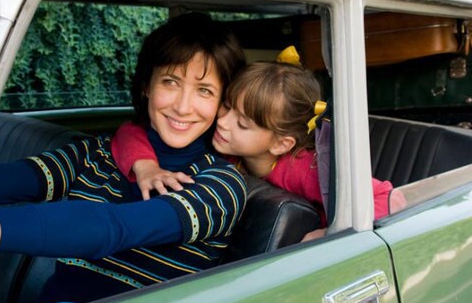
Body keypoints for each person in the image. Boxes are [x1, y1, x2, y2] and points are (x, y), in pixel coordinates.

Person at [0, 12, 248, 303]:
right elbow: (13, 179)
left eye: (204, 91)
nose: (182, 105)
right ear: (147, 86)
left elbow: (113, 227)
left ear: (222, 103)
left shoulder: (220, 186)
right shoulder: (97, 152)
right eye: (170, 82)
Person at [111, 59, 397, 239]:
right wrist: (145, 165)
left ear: (280, 144)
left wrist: (328, 233)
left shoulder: (306, 169)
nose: (222, 122)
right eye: (227, 105)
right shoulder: (226, 138)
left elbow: (388, 199)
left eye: (243, 123)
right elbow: (131, 131)